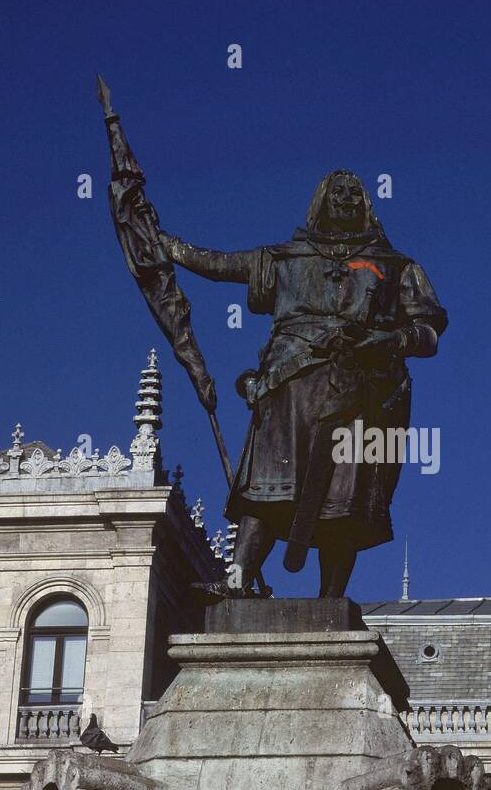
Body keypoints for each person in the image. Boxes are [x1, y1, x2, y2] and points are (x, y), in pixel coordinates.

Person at [151, 170, 447, 598]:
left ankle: (331, 601)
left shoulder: (396, 266)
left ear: (366, 204)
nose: (345, 200)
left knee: (346, 498)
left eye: (354, 194)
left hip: (360, 391)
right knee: (267, 487)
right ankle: (238, 576)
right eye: (337, 193)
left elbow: (429, 333)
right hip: (288, 388)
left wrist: (390, 339)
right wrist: (165, 244)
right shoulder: (285, 258)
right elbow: (216, 265)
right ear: (321, 201)